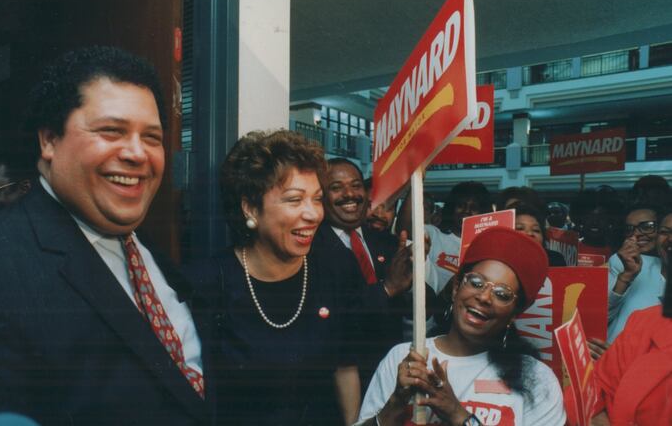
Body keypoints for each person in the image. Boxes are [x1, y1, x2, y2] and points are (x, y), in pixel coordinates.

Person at [0, 46, 208, 425]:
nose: (138, 153)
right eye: (111, 131)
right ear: (49, 141)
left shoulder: (152, 255)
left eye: (152, 137)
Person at [188, 131, 363, 425]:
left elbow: (345, 367)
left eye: (317, 199)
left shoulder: (336, 270)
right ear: (250, 208)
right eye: (294, 200)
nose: (313, 214)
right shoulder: (206, 283)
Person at [357, 227, 565, 426]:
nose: (484, 297)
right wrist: (396, 402)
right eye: (475, 282)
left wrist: (457, 415)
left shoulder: (538, 380)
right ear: (456, 287)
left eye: (502, 294)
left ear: (514, 313)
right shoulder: (404, 357)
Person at [316, 157, 437, 387]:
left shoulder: (388, 244)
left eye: (355, 185)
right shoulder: (311, 248)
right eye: (336, 187)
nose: (350, 194)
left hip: (389, 375)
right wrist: (387, 288)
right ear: (320, 196)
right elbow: (335, 321)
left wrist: (413, 279)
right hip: (338, 383)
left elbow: (427, 307)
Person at [590, 209, 672, 425]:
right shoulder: (628, 263)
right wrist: (625, 277)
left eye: (646, 226)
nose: (670, 239)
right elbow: (595, 314)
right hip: (607, 375)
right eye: (665, 231)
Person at [604, 204, 664, 344]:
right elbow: (602, 317)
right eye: (630, 229)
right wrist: (626, 276)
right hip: (615, 351)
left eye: (647, 226)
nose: (636, 234)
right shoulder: (619, 262)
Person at [425, 181, 491, 294]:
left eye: (473, 208)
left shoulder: (487, 248)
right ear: (451, 208)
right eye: (461, 205)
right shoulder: (433, 233)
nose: (466, 211)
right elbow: (405, 229)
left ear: (483, 213)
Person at [512, 202, 567, 266]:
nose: (529, 233)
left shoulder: (556, 260)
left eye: (536, 230)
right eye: (520, 228)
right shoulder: (501, 264)